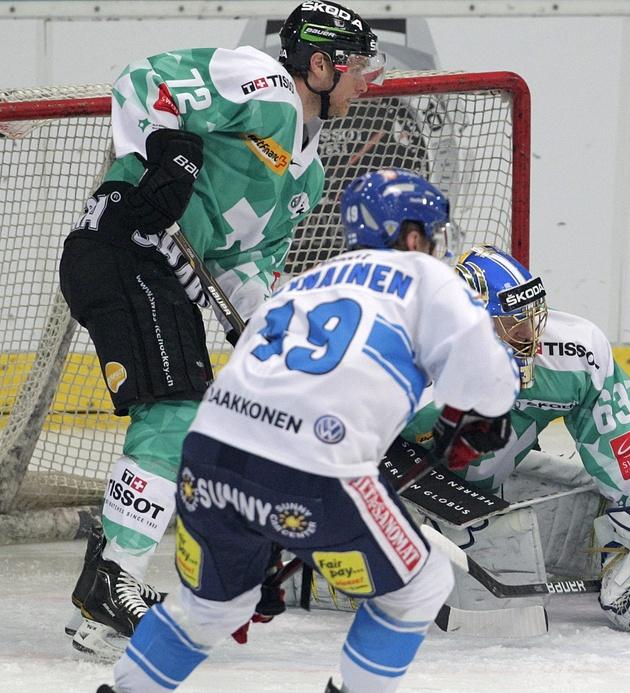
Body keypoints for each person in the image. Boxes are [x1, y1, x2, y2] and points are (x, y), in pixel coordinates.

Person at [96, 168, 520, 693]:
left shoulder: (301, 285)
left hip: (208, 458)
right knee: (420, 583)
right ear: (412, 236)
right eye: (429, 235)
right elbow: (489, 380)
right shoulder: (423, 275)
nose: (431, 246)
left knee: (209, 609)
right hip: (313, 472)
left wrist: (266, 541)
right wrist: (487, 418)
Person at [60, 1, 385, 658]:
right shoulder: (262, 85)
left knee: (182, 417)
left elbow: (242, 263)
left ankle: (99, 602)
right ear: (319, 65)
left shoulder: (308, 175)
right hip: (124, 243)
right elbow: (144, 80)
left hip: (158, 270)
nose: (367, 79)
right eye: (357, 64)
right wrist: (168, 146)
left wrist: (272, 337)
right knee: (177, 411)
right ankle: (112, 579)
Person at [404, 245, 630, 632]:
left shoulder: (573, 353)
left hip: (481, 487)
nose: (530, 336)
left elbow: (622, 438)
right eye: (512, 323)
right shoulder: (407, 372)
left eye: (531, 318)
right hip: (407, 495)